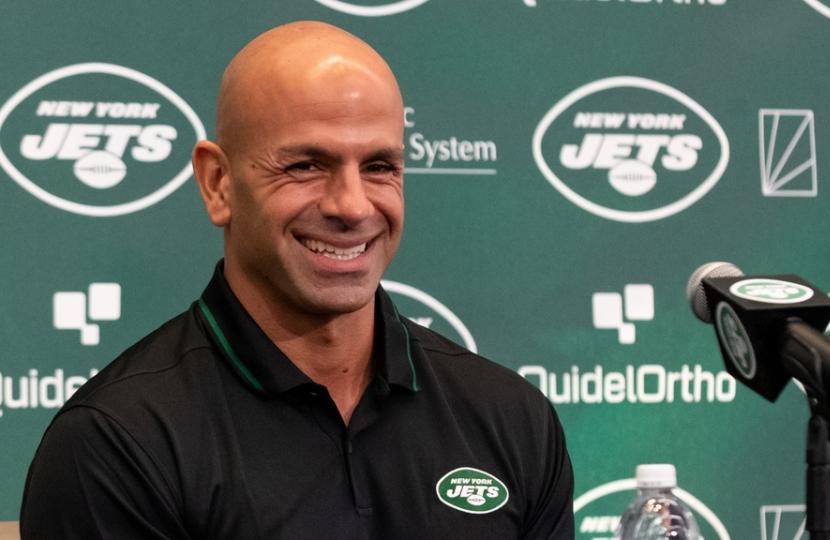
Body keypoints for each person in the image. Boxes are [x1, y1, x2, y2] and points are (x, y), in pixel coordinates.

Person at [20, 21, 574, 539]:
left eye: (379, 166)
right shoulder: (116, 442)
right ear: (218, 184)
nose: (353, 206)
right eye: (306, 165)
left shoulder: (513, 419)